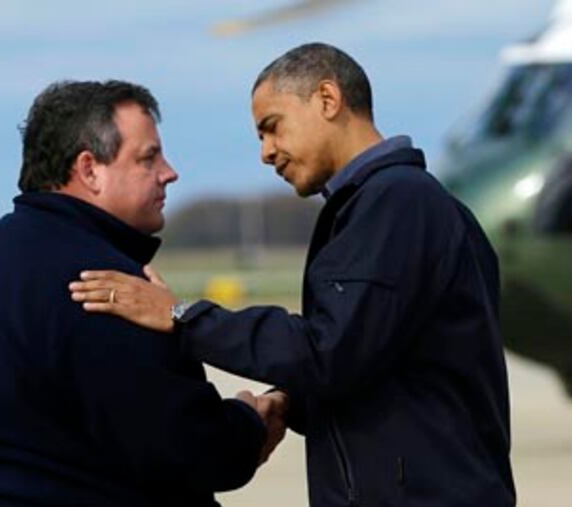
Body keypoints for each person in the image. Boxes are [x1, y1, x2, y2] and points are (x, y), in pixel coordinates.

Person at [69, 44, 517, 506]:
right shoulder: (396, 206)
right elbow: (376, 357)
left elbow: (330, 351)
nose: (266, 153)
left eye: (272, 128)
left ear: (327, 99)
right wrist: (292, 401)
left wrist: (181, 316)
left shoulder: (395, 203)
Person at [0, 80, 288, 507]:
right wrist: (252, 423)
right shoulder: (107, 286)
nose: (169, 172)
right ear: (89, 170)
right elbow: (186, 449)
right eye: (148, 157)